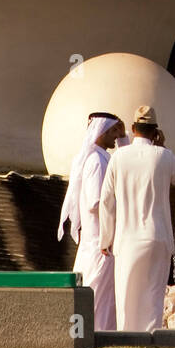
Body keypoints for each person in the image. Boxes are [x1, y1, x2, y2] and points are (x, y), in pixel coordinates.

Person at [99, 105, 175, 331]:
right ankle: (150, 339)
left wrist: (105, 239)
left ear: (132, 129)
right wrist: (163, 147)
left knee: (126, 295)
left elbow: (106, 201)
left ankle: (127, 338)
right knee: (153, 296)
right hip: (157, 237)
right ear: (155, 131)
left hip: (127, 239)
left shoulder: (118, 157)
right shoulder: (164, 156)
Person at [56, 111, 125, 330]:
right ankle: (93, 335)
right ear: (103, 130)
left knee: (105, 297)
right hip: (99, 243)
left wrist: (124, 138)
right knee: (97, 295)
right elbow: (95, 203)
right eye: (114, 131)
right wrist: (121, 204)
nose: (116, 136)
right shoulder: (96, 160)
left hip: (101, 242)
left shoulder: (102, 156)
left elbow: (127, 161)